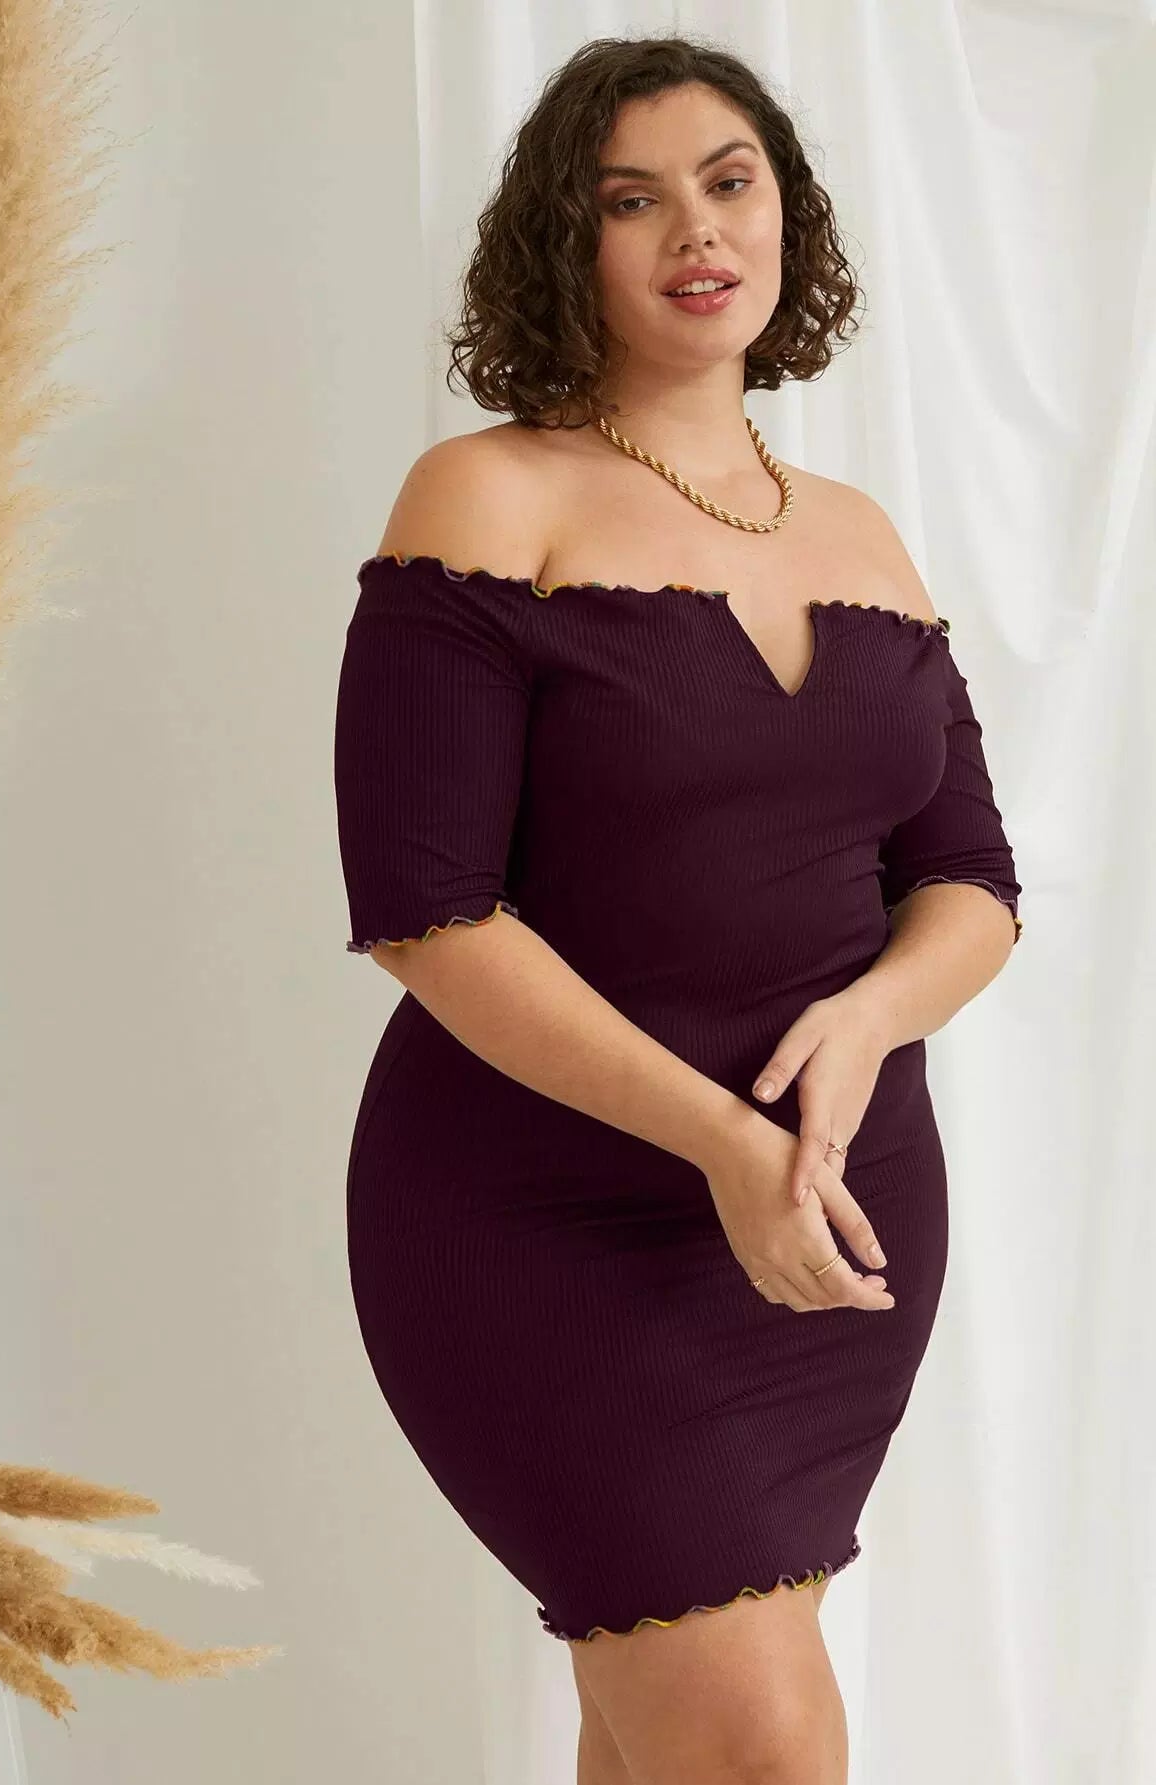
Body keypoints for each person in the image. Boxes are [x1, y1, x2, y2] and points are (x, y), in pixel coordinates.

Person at [333, 35, 1021, 1785]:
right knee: (763, 1745)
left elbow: (970, 879)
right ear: (565, 244)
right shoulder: (487, 496)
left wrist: (868, 1022)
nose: (696, 230)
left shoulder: (861, 533)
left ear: (788, 215)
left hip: (833, 1206)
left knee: (663, 1740)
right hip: (545, 1213)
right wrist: (722, 1139)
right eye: (630, 200)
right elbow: (425, 911)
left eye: (730, 182)